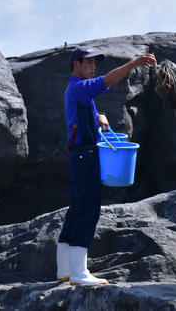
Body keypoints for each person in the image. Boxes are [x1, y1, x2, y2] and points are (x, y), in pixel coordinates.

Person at [57, 46, 156, 286]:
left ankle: (65, 270)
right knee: (88, 210)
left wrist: (98, 115)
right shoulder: (79, 87)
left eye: (94, 63)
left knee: (77, 209)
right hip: (84, 156)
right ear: (76, 65)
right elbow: (106, 81)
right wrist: (133, 64)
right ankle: (79, 274)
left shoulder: (78, 91)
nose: (93, 67)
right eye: (88, 62)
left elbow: (84, 109)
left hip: (78, 156)